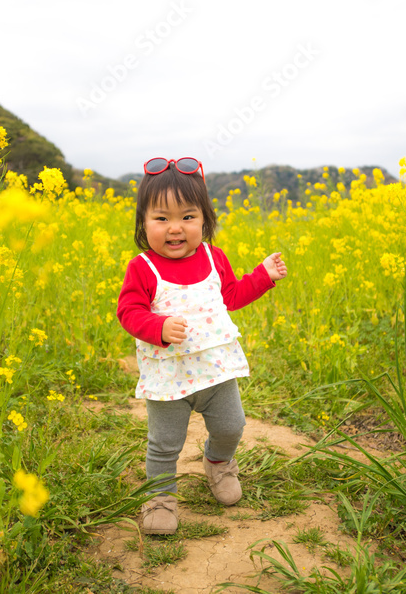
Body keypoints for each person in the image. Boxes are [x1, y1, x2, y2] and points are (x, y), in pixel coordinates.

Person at [116, 157, 288, 535]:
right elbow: (128, 311)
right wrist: (157, 327)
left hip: (215, 370)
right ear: (143, 223)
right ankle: (160, 498)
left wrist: (262, 276)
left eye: (188, 217)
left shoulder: (214, 257)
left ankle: (218, 462)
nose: (175, 228)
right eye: (161, 218)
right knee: (164, 445)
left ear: (205, 219)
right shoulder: (143, 267)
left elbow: (232, 295)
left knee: (232, 425)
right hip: (168, 377)